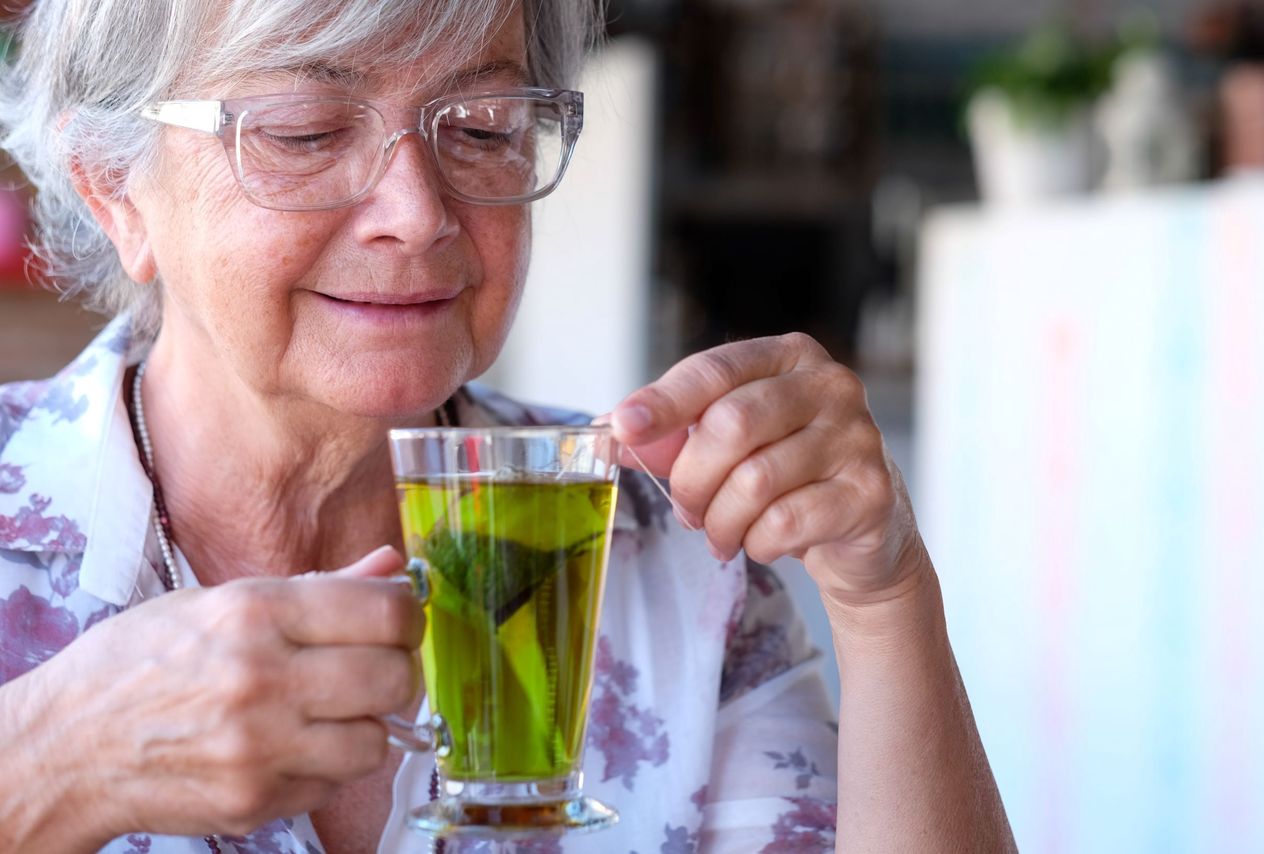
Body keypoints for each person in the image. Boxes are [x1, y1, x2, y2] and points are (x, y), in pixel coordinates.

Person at [0, 0, 1016, 851]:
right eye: (305, 128)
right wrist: (49, 763)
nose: (417, 211)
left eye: (483, 124)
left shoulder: (664, 542)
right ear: (115, 190)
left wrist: (883, 599)